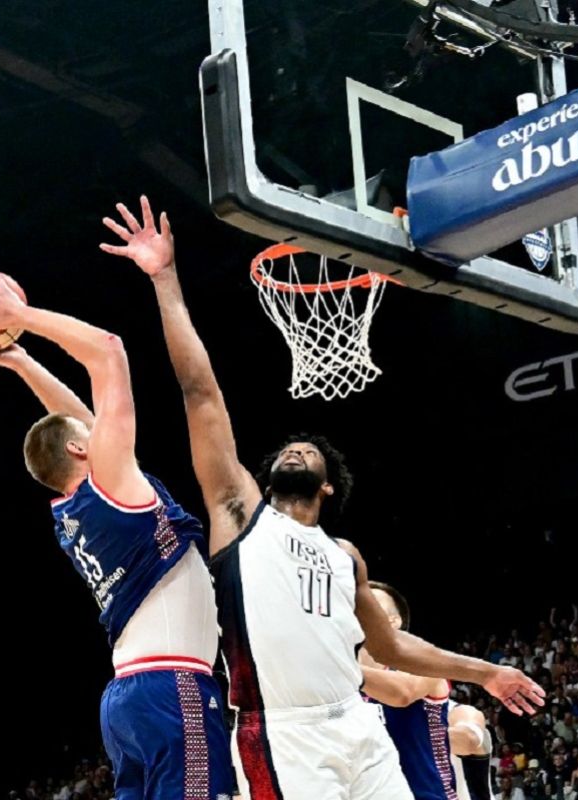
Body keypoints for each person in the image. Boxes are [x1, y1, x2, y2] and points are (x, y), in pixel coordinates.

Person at [103, 196, 544, 799]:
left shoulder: (345, 555)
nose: (296, 451)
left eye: (309, 452)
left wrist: (486, 672)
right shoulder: (241, 516)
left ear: (328, 484)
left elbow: (392, 646)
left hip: (357, 723)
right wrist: (165, 278)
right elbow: (199, 391)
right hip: (283, 733)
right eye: (288, 450)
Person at [0, 275, 234, 799]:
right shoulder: (112, 487)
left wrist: (20, 360)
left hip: (128, 699)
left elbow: (73, 422)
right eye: (93, 435)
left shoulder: (74, 507)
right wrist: (21, 316)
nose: (101, 428)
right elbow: (108, 351)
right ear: (84, 452)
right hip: (172, 688)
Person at [360, 581, 495, 800]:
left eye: (370, 602)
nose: (360, 607)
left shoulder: (425, 670)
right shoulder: (345, 691)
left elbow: (402, 693)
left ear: (394, 621)